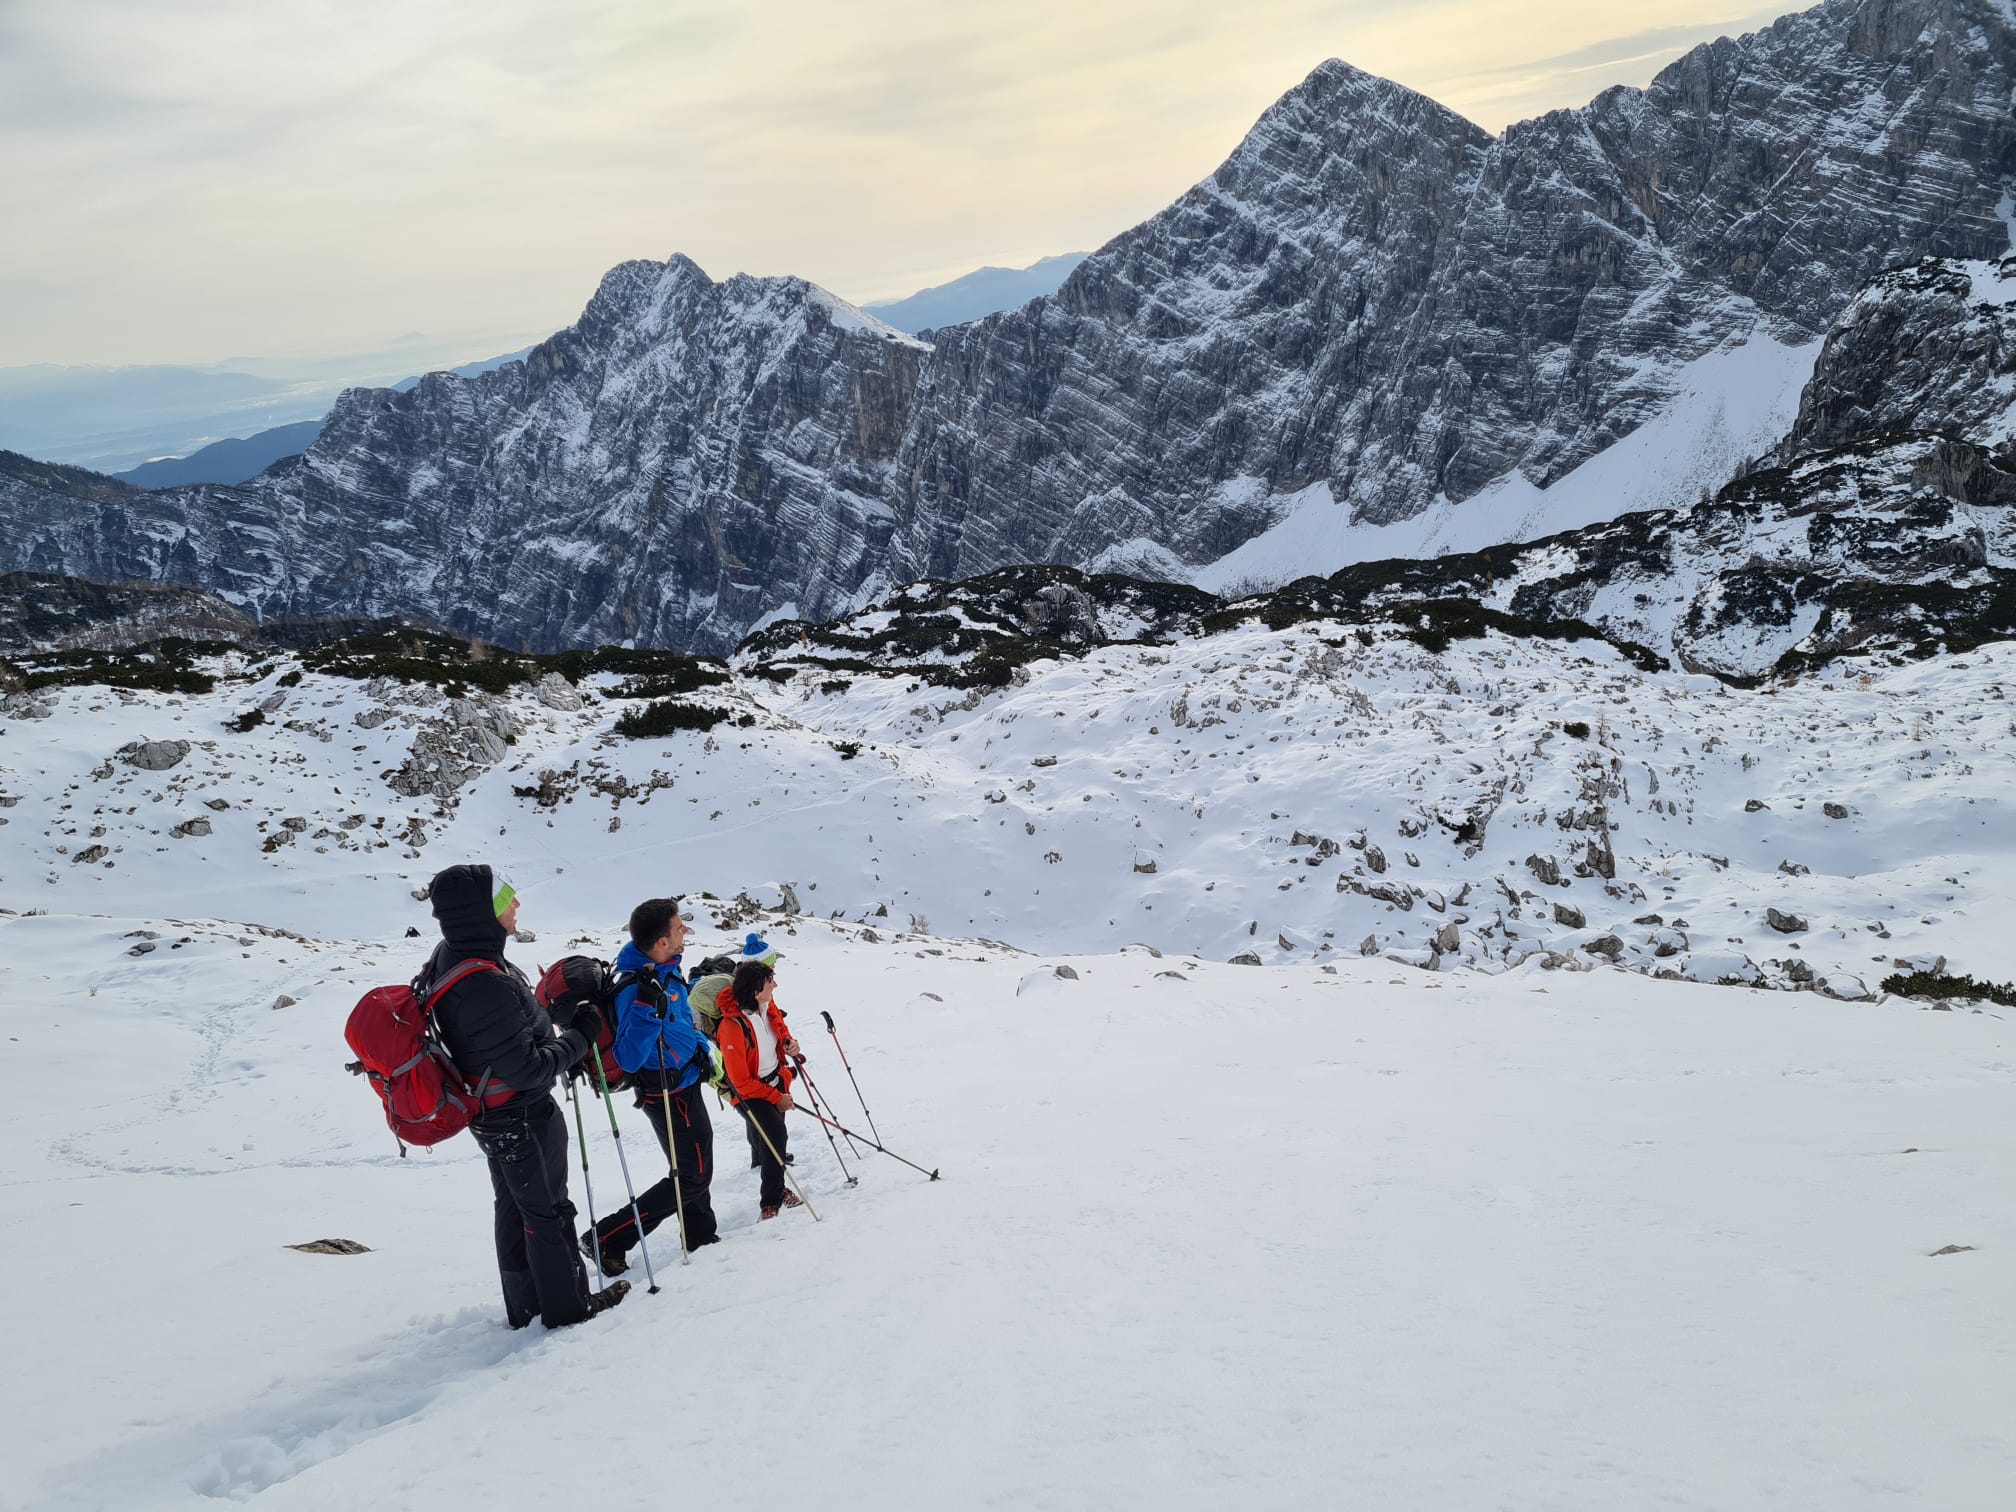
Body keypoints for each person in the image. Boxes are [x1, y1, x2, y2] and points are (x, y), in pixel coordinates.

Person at [420, 863, 629, 1329]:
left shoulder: (457, 954)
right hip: (520, 1114)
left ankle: (526, 1304)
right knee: (548, 1209)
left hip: (494, 1111)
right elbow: (527, 1067)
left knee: (516, 1206)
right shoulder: (482, 982)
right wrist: (582, 1035)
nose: (516, 904)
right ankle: (567, 1307)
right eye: (505, 897)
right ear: (481, 912)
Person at [583, 897, 721, 1273]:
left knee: (690, 1165)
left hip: (684, 1081)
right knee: (693, 1174)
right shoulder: (638, 986)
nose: (685, 932)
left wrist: (699, 1050)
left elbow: (677, 1021)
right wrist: (646, 1006)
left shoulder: (665, 968)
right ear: (662, 941)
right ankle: (608, 1237)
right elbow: (629, 1055)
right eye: (679, 928)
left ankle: (700, 1234)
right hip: (667, 1092)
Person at [716, 958, 803, 1220]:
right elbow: (740, 1081)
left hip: (777, 1080)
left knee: (773, 1142)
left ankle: (776, 1190)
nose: (775, 985)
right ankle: (770, 1201)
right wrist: (777, 1097)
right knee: (776, 1134)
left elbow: (779, 1027)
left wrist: (790, 1042)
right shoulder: (732, 1027)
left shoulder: (766, 1006)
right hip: (751, 1092)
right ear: (755, 992)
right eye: (769, 982)